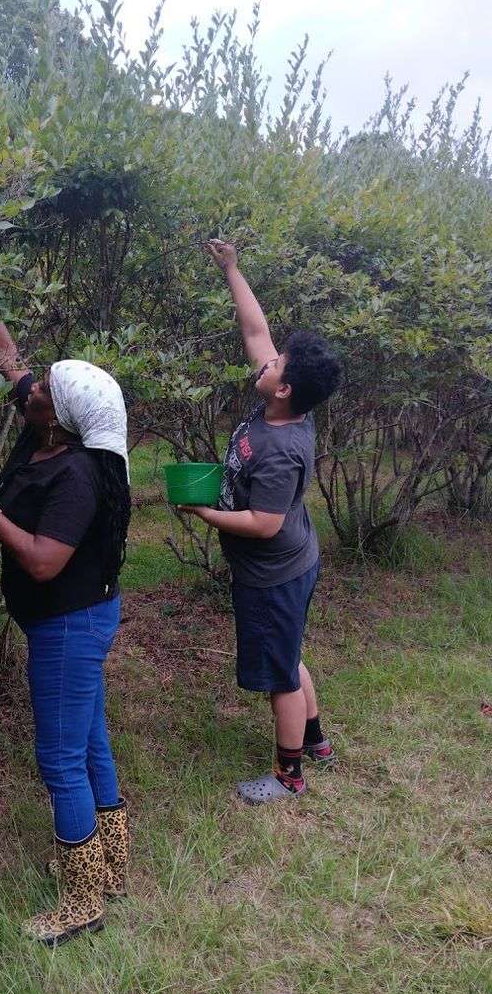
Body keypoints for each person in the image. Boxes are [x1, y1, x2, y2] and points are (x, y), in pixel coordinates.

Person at [0, 277, 132, 945]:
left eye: (42, 389)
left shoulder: (76, 474)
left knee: (61, 758)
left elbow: (44, 560)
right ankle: (111, 859)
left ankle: (82, 901)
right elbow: (7, 357)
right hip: (73, 617)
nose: (29, 389)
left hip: (69, 623)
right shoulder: (46, 426)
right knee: (90, 737)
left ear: (62, 416)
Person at [178, 240, 343, 804]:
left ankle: (288, 773)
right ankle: (316, 742)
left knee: (278, 672)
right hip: (290, 563)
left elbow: (265, 522)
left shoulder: (280, 447)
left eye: (275, 365)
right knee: (288, 653)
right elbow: (256, 333)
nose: (265, 361)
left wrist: (209, 515)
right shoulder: (282, 402)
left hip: (274, 571)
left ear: (286, 387)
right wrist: (232, 269)